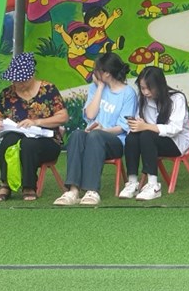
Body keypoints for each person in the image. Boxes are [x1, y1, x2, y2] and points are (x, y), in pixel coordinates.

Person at [54, 51, 137, 206]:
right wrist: (100, 88)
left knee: (95, 136)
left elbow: (122, 128)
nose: (93, 73)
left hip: (114, 142)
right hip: (92, 135)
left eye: (96, 70)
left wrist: (102, 130)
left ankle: (92, 190)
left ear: (106, 73)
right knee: (77, 135)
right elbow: (90, 114)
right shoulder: (95, 87)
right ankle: (73, 191)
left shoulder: (128, 93)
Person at [0, 52, 68, 202]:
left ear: (32, 75)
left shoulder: (48, 90)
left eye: (22, 80)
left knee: (28, 144)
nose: (18, 84)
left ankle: (29, 186)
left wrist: (37, 122)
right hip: (17, 136)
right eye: (15, 80)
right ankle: (5, 185)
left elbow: (63, 116)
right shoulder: (6, 94)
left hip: (47, 141)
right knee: (8, 141)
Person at [119, 65, 189, 201]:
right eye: (142, 88)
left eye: (149, 88)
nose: (146, 92)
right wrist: (137, 124)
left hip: (176, 143)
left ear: (160, 85)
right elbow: (143, 124)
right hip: (151, 140)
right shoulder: (144, 99)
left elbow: (175, 129)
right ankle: (132, 182)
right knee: (132, 136)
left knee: (146, 135)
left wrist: (146, 126)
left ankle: (153, 185)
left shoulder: (177, 98)